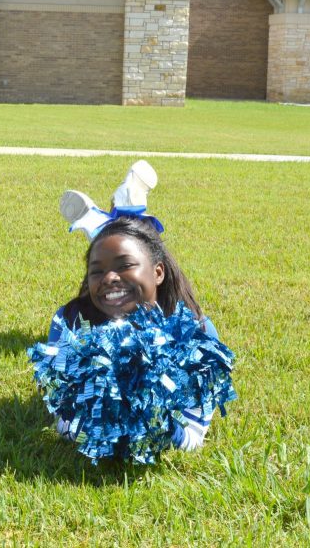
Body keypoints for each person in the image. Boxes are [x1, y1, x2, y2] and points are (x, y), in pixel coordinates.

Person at [50, 165, 223, 452]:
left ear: (159, 272)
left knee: (118, 249)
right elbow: (62, 418)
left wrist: (157, 422)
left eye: (125, 266)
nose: (107, 278)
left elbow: (194, 434)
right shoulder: (69, 322)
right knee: (114, 252)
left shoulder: (200, 333)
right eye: (95, 271)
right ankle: (112, 219)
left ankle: (111, 218)